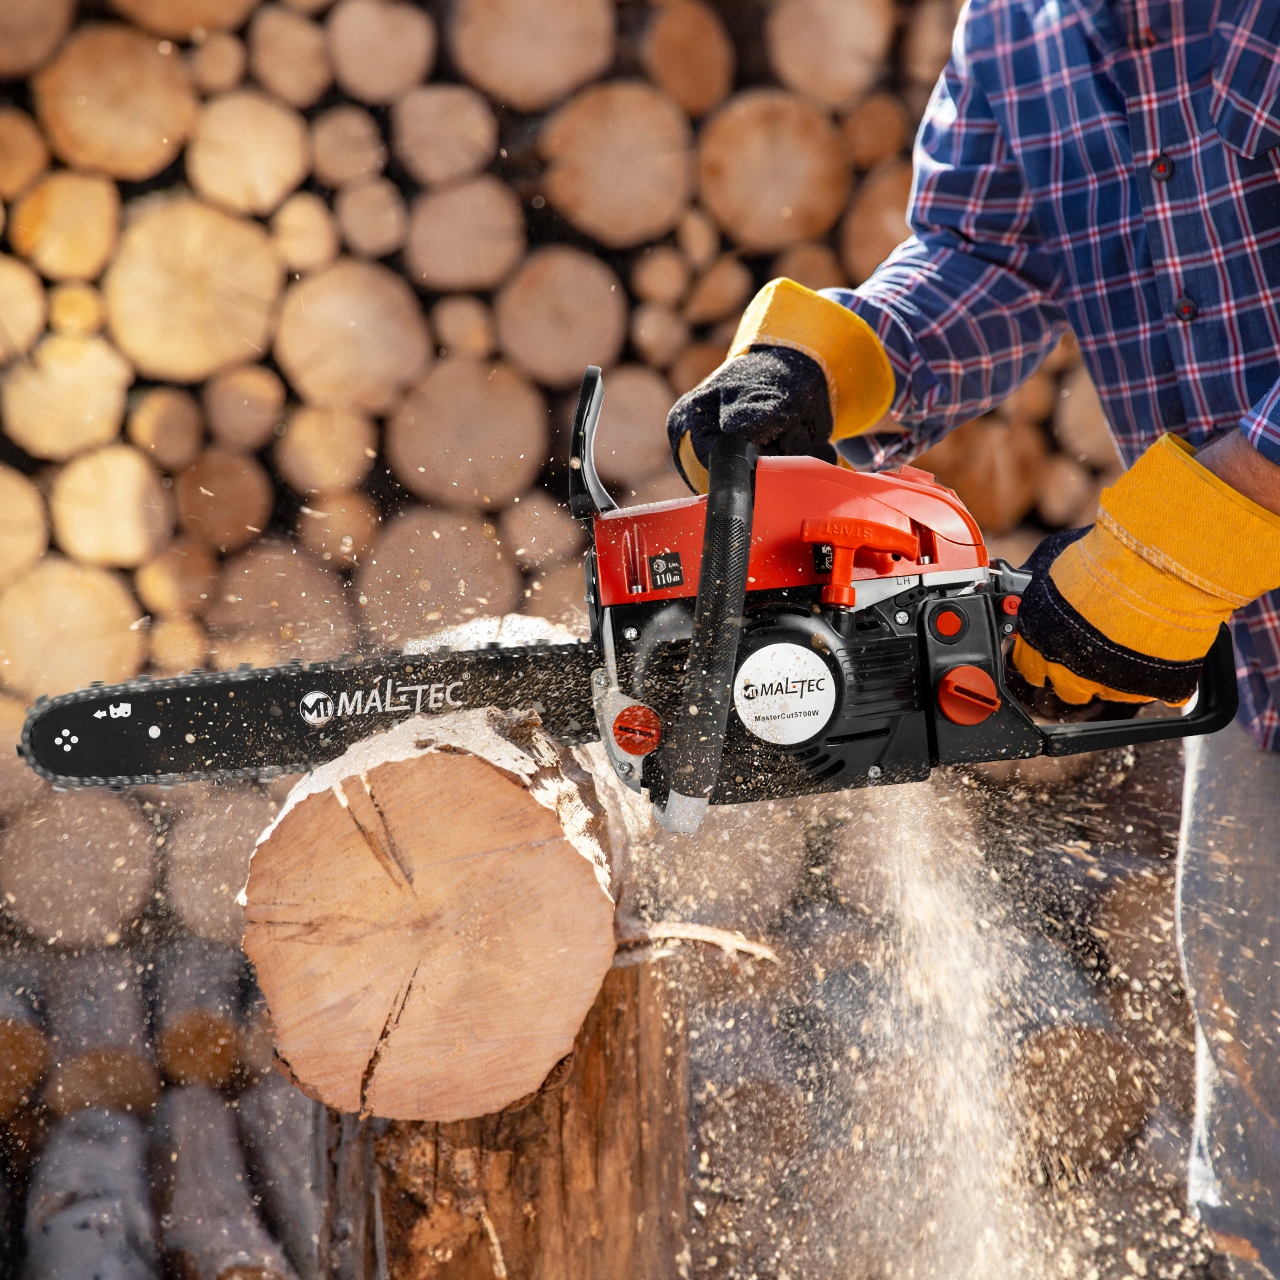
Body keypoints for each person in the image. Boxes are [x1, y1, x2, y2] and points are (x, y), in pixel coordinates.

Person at [666, 1, 1280, 1274]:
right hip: (1263, 658)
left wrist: (1168, 553)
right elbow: (979, 258)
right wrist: (833, 366)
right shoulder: (1020, 25)